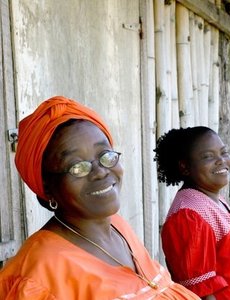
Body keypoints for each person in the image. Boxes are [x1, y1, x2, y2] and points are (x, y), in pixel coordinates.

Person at [0, 96, 200, 300]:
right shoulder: (40, 276)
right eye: (77, 166)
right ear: (47, 188)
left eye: (105, 154)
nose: (100, 172)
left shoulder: (118, 227)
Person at [153, 126, 230, 300]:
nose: (221, 160)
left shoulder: (212, 200)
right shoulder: (189, 216)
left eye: (223, 152)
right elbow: (202, 294)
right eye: (208, 156)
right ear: (185, 167)